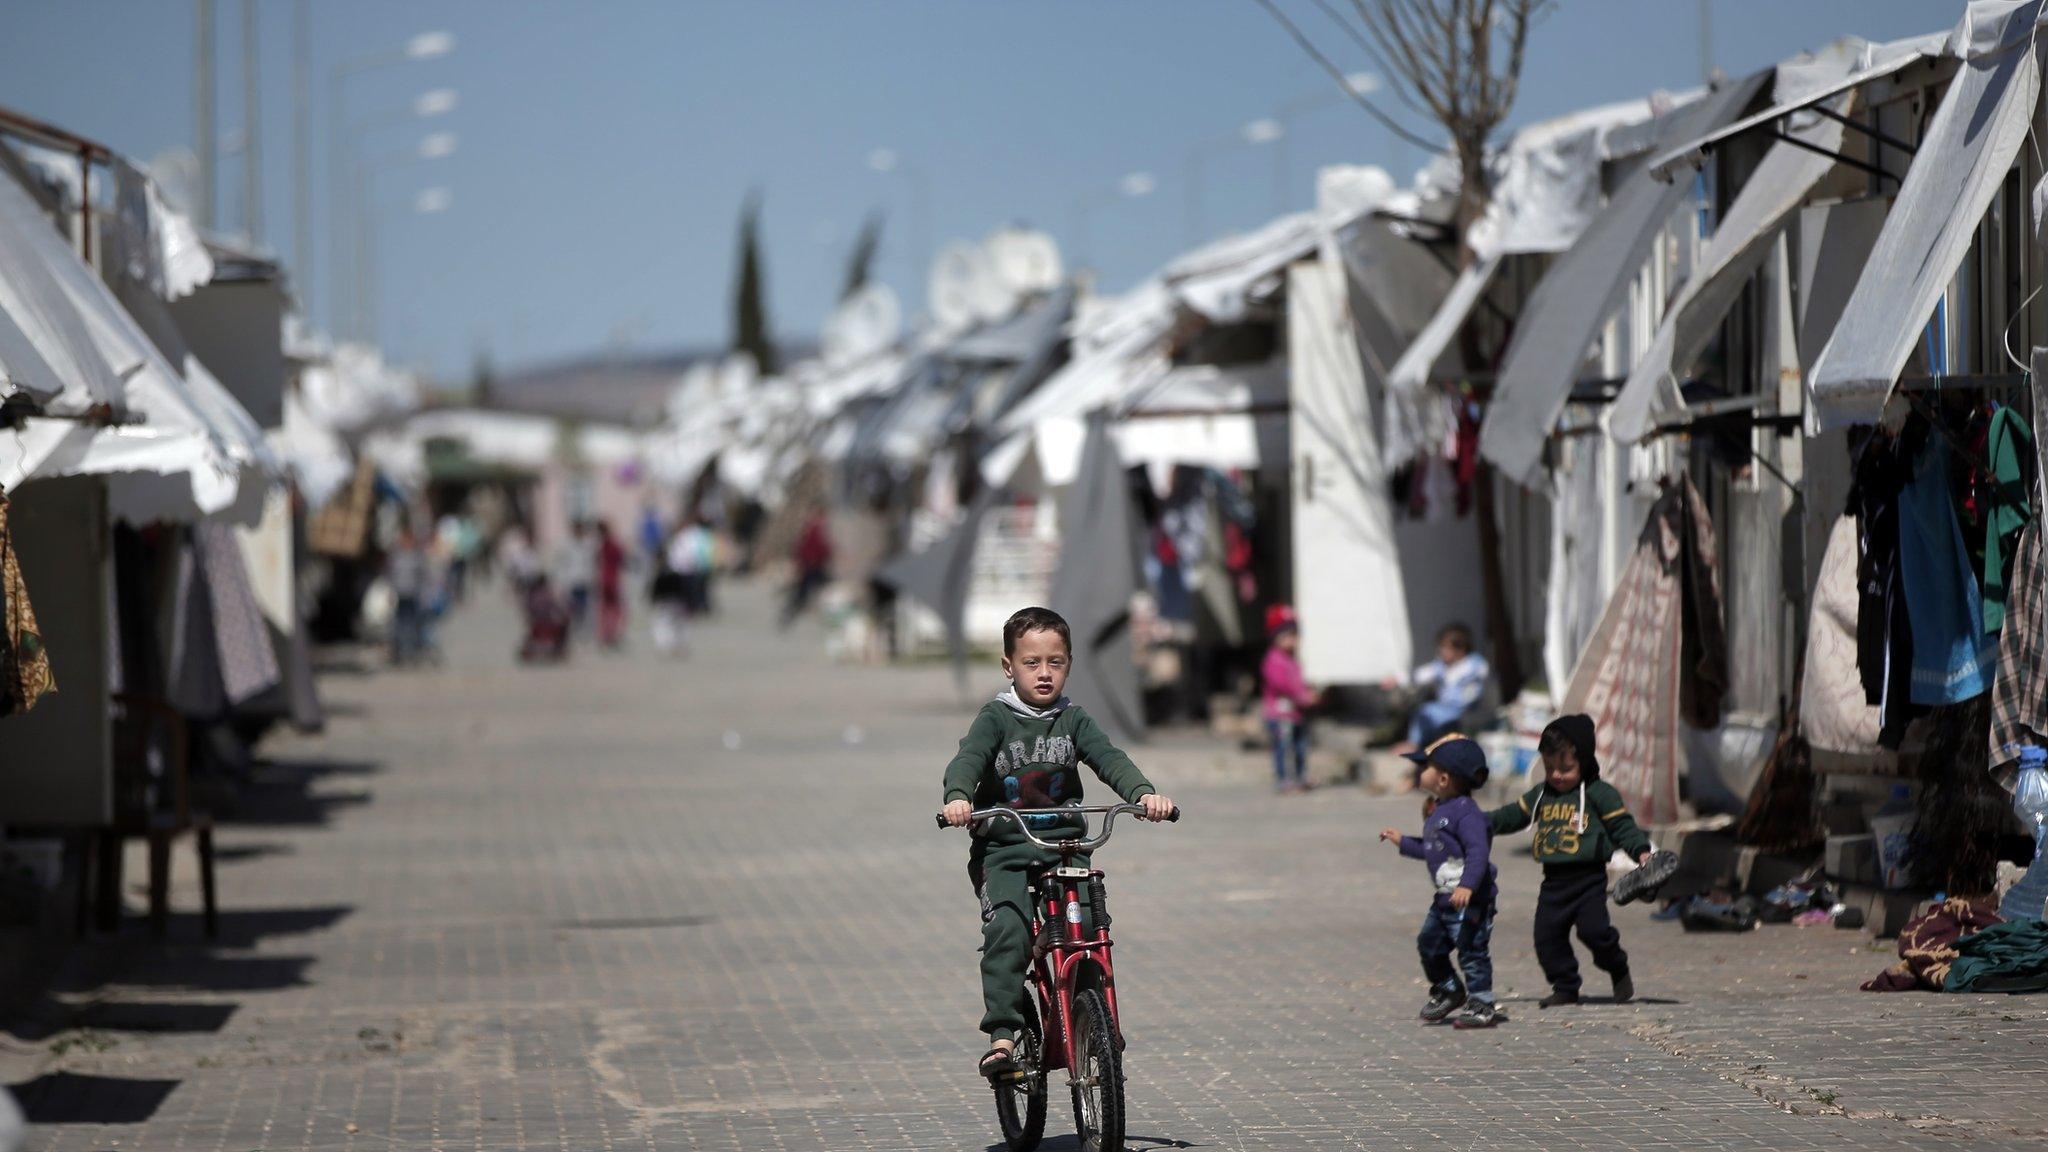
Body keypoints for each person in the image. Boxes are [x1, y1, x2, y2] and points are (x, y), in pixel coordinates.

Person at [940, 606, 1176, 1079]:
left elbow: (1109, 759)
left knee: (1090, 928)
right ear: (1009, 666)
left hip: (1064, 850)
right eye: (1032, 663)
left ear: (1069, 663)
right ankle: (1004, 1035)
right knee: (1007, 929)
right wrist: (959, 798)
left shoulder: (1074, 720)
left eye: (1056, 662)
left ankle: (1097, 1023)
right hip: (1004, 849)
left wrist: (1144, 794)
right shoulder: (996, 719)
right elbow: (968, 760)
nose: (1044, 673)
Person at [1486, 714, 1653, 1007]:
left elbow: (1623, 827)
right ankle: (1565, 986)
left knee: (1595, 932)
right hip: (1554, 883)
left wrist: (1640, 851)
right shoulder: (1542, 794)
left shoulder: (1601, 794)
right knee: (1546, 938)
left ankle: (1617, 965)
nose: (1557, 775)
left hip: (1588, 881)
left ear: (1585, 762)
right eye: (1550, 768)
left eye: (1566, 768)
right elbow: (1512, 815)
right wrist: (1478, 822)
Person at [1379, 735, 1499, 1029]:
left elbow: (1478, 852)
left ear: (1443, 778)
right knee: (1429, 944)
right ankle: (1449, 988)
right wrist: (1403, 842)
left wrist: (1468, 886)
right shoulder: (1440, 810)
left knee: (1471, 951)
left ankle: (1482, 1002)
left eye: (1427, 767)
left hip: (1471, 899)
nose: (1420, 771)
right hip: (1445, 899)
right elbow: (1433, 850)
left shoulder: (1466, 813)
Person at [1385, 623, 1491, 759]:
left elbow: (1479, 680)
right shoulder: (1441, 667)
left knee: (1427, 711)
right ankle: (1421, 744)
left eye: (1445, 648)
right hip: (1445, 708)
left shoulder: (1475, 664)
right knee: (1424, 711)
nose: (1441, 652)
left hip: (1465, 709)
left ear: (1460, 649)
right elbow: (1421, 675)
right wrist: (1397, 679)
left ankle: (1413, 744)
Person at [1260, 616, 1320, 793]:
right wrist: (1302, 696)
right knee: (1283, 749)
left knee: (1300, 747)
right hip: (1279, 715)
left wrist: (1309, 691)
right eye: (1286, 636)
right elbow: (1282, 684)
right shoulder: (1273, 660)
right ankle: (1283, 779)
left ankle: (1301, 776)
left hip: (1295, 714)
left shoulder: (1292, 659)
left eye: (1294, 636)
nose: (1291, 640)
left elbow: (1299, 682)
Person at [781, 508, 833, 628]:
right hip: (813, 563)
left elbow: (799, 546)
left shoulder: (810, 527)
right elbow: (821, 547)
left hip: (809, 563)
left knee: (804, 588)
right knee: (809, 588)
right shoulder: (817, 528)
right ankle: (792, 610)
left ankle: (792, 609)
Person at [386, 525, 429, 666]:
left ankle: (411, 652)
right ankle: (398, 653)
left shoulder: (417, 557)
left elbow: (423, 577)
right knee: (398, 624)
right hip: (400, 594)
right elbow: (391, 576)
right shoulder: (396, 557)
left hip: (413, 594)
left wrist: (424, 595)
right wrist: (390, 593)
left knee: (412, 624)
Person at [556, 521, 596, 631]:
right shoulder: (566, 545)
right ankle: (574, 627)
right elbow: (562, 564)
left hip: (584, 581)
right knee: (572, 607)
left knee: (585, 607)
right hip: (572, 580)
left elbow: (590, 563)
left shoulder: (587, 545)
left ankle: (583, 628)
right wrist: (561, 582)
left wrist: (592, 578)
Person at [595, 521, 627, 650]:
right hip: (612, 580)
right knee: (615, 609)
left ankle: (605, 634)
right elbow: (621, 558)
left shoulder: (600, 545)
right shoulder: (612, 544)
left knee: (604, 609)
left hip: (603, 579)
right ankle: (611, 634)